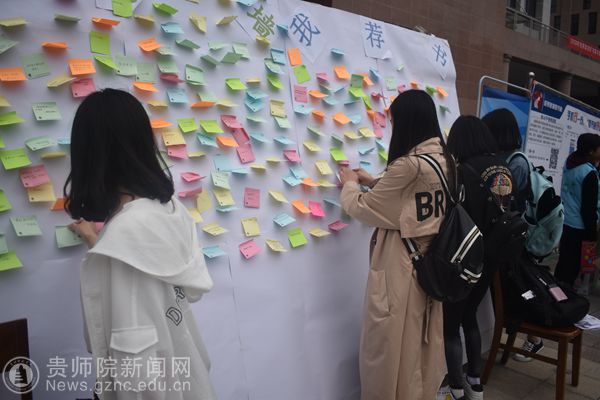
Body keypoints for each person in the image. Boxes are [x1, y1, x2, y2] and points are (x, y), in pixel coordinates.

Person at [65, 89, 216, 400]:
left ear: (89, 155)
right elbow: (150, 267)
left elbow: (136, 361)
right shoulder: (169, 209)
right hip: (191, 380)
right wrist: (99, 244)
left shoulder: (125, 237)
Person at [338, 90, 450, 400]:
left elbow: (365, 208)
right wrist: (375, 181)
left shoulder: (408, 166)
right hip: (430, 266)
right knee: (418, 351)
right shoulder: (444, 159)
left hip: (402, 269)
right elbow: (409, 202)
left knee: (389, 351)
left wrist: (350, 183)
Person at [444, 116, 514, 400]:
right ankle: (475, 383)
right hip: (493, 254)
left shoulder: (463, 171)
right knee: (470, 314)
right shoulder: (503, 167)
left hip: (465, 255)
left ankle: (454, 388)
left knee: (450, 324)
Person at [483, 108, 543, 362]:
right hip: (506, 236)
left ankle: (534, 339)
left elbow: (504, 202)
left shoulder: (516, 162)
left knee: (518, 288)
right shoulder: (504, 158)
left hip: (513, 238)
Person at [554, 133, 600, 286]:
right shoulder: (589, 173)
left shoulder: (571, 162)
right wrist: (591, 234)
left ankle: (556, 291)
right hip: (579, 226)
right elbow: (588, 208)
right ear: (591, 151)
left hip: (566, 221)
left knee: (564, 261)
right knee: (573, 266)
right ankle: (564, 294)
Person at [482, 108, 528, 213]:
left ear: (497, 133)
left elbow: (501, 201)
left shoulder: (517, 164)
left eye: (487, 132)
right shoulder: (498, 157)